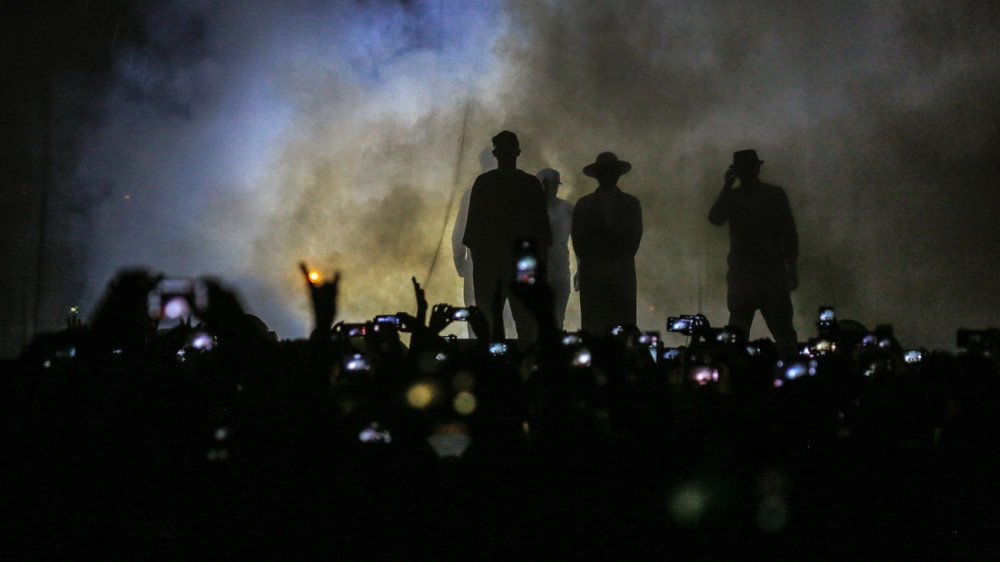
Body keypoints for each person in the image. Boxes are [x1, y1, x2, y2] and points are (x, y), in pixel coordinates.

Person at [462, 131, 552, 343]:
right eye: (502, 149)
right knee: (503, 323)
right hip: (506, 263)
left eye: (506, 148)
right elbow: (474, 231)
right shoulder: (524, 184)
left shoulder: (493, 183)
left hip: (508, 264)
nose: (504, 153)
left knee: (520, 323)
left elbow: (541, 231)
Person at [708, 149, 799, 357]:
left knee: (746, 332)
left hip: (761, 274)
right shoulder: (765, 194)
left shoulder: (765, 195)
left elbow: (788, 233)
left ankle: (741, 373)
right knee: (777, 332)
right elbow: (715, 218)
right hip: (760, 275)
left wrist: (727, 187)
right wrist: (791, 268)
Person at [572, 152, 643, 336]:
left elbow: (633, 240)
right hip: (598, 274)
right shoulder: (584, 205)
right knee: (594, 328)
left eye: (611, 171)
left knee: (622, 327)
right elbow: (579, 242)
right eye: (605, 171)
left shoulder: (630, 203)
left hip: (617, 274)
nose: (608, 175)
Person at [537, 168, 574, 331]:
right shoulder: (529, 208)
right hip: (536, 272)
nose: (551, 189)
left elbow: (577, 240)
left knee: (558, 318)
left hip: (559, 269)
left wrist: (580, 268)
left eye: (554, 185)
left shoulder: (566, 208)